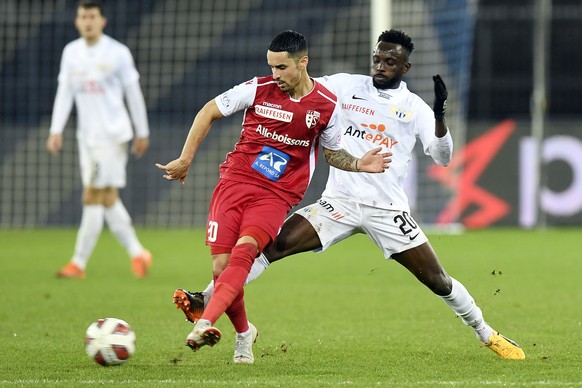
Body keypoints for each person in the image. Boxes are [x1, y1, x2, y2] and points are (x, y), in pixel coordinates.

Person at [174, 29, 526, 360]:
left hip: (386, 209)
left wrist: (439, 118)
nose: (381, 66)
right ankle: (205, 299)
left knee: (437, 280)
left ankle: (486, 333)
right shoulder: (343, 86)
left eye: (390, 62)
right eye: (377, 58)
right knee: (267, 249)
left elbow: (443, 157)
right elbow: (302, 86)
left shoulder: (415, 107)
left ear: (405, 67)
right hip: (337, 203)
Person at [156, 30, 391, 364]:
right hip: (235, 181)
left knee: (245, 253)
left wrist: (358, 164)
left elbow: (333, 153)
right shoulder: (257, 88)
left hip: (276, 195)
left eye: (282, 68)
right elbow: (208, 110)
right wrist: (185, 159)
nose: (275, 75)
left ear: (303, 62)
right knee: (221, 266)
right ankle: (244, 333)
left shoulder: (326, 105)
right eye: (272, 67)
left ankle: (205, 321)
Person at [47, 1, 152, 279]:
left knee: (92, 195)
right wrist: (55, 129)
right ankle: (138, 253)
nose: (88, 21)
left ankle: (78, 263)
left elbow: (133, 93)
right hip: (87, 137)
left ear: (102, 21)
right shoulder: (71, 53)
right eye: (83, 16)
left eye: (92, 16)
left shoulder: (117, 52)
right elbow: (65, 93)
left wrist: (142, 131)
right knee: (106, 197)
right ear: (77, 21)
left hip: (112, 134)